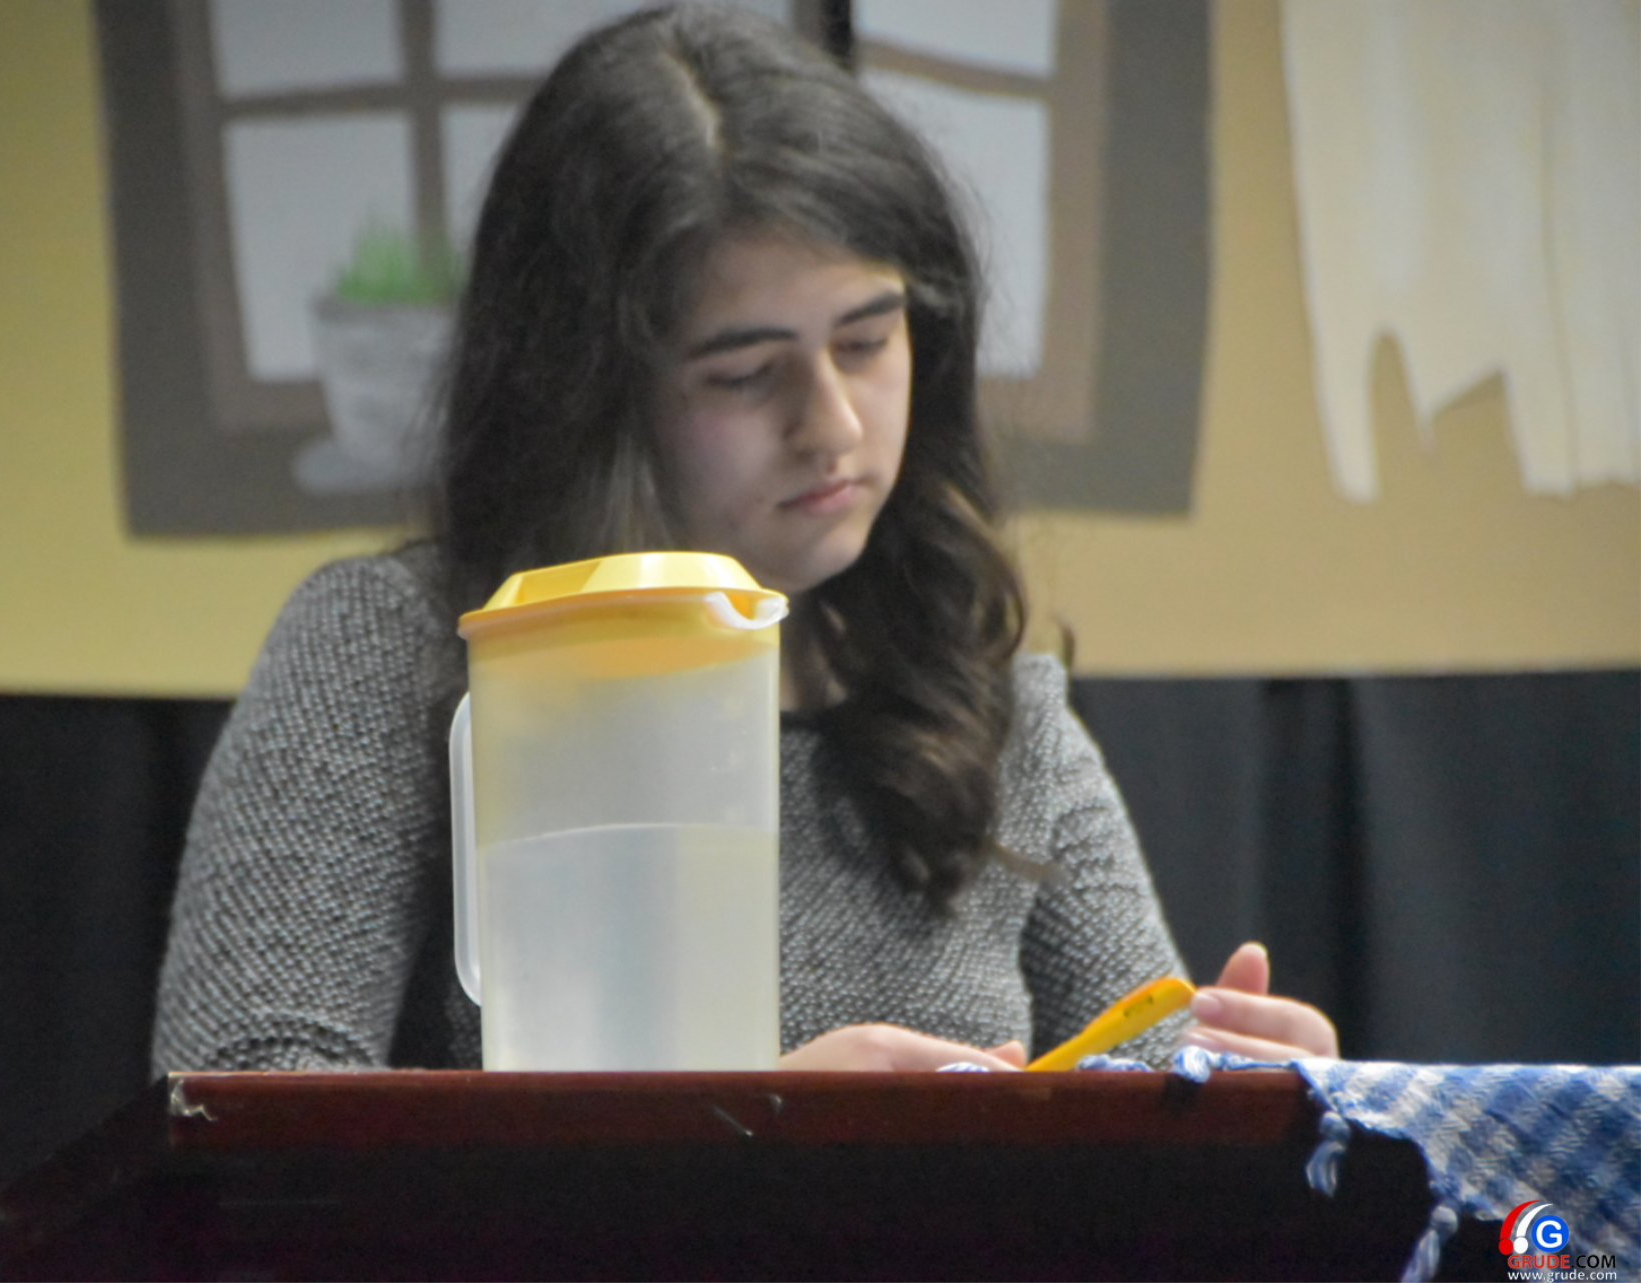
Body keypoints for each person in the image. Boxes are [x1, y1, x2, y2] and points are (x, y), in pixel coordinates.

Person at [150, 4, 1335, 1077]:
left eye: (867, 342)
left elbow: (1140, 1103)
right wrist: (757, 1134)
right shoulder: (394, 651)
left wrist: (1247, 1107)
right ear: (594, 394)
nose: (834, 426)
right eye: (746, 372)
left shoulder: (997, 709)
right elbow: (243, 1106)